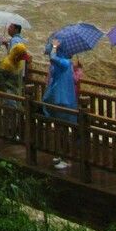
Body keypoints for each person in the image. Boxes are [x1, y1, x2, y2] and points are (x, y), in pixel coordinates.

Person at [42, 40, 77, 170]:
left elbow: (52, 57)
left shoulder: (66, 63)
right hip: (58, 99)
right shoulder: (60, 64)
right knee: (59, 129)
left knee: (63, 129)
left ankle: (66, 158)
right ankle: (60, 154)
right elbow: (51, 59)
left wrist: (55, 47)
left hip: (64, 100)